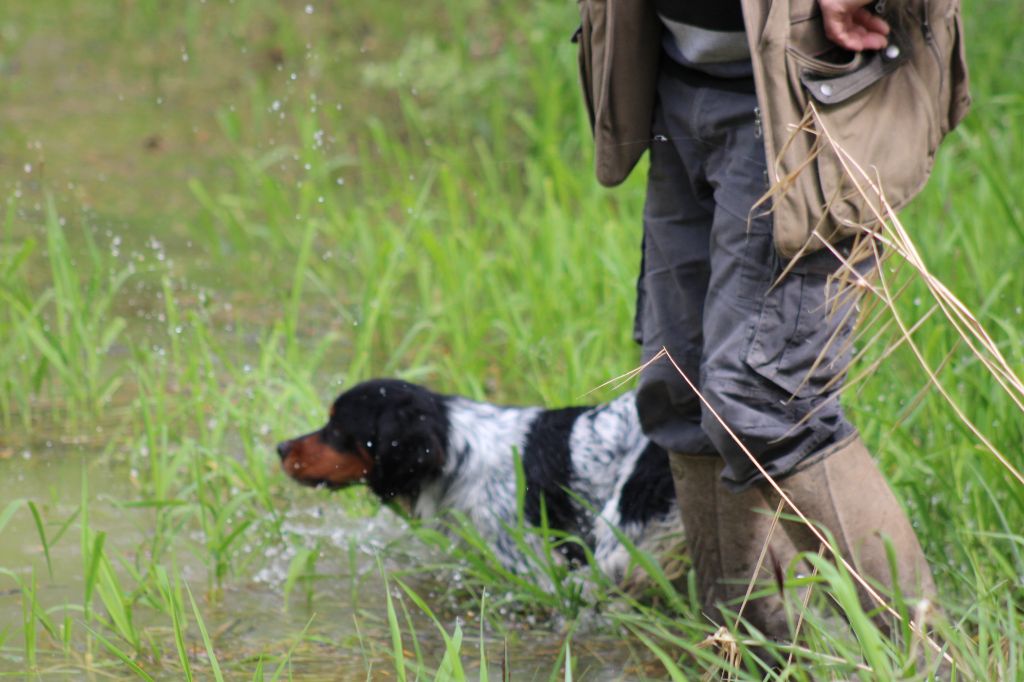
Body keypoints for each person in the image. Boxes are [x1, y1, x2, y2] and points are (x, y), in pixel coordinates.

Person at [575, 0, 970, 645]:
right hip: (674, 75)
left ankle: (928, 661)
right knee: (682, 389)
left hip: (810, 91)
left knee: (766, 400)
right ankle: (751, 656)